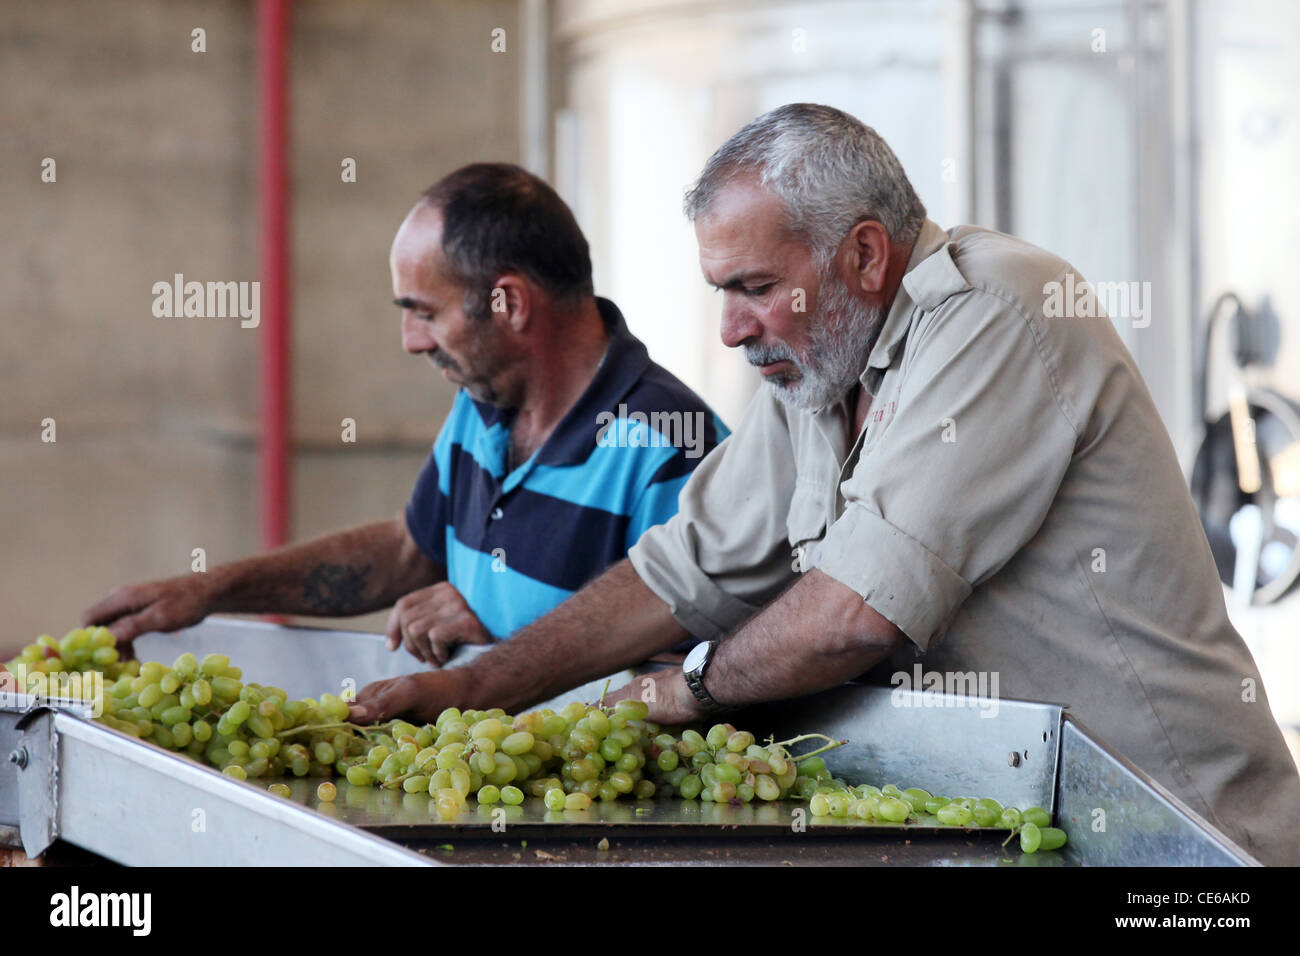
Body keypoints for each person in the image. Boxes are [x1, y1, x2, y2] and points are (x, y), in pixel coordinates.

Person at [348, 106, 1300, 865]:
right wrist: (479, 691)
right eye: (720, 290)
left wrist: (683, 691)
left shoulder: (998, 313)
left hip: (1179, 849)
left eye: (754, 286)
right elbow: (677, 575)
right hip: (1018, 826)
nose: (729, 328)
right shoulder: (819, 366)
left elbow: (854, 615)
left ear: (865, 257)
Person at [83, 163, 727, 666]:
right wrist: (207, 591)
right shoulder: (482, 407)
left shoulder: (673, 446)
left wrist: (500, 650)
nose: (412, 340)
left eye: (424, 311)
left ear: (509, 303)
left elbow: (702, 679)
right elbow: (409, 551)